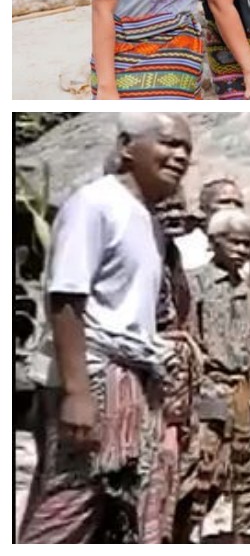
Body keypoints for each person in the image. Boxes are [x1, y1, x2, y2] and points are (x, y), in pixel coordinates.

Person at [20, 114, 193, 543]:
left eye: (187, 149)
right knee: (68, 506)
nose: (181, 156)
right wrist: (78, 394)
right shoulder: (95, 204)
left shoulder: (148, 222)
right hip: (94, 377)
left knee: (114, 512)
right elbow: (66, 298)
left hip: (131, 378)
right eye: (169, 143)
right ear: (127, 146)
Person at [174, 208, 250, 543]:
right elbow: (185, 334)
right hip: (204, 387)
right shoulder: (194, 283)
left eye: (247, 244)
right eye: (234, 242)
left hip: (237, 393)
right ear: (214, 241)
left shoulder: (246, 292)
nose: (242, 250)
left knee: (223, 473)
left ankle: (188, 536)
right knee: (193, 469)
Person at [142, 190, 203, 543]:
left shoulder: (173, 258)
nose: (174, 215)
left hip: (173, 385)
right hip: (142, 376)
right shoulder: (137, 253)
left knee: (168, 468)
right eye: (165, 207)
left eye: (179, 207)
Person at [175, 177, 246, 272]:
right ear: (203, 209)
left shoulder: (248, 252)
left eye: (238, 204)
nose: (233, 208)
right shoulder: (182, 247)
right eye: (225, 202)